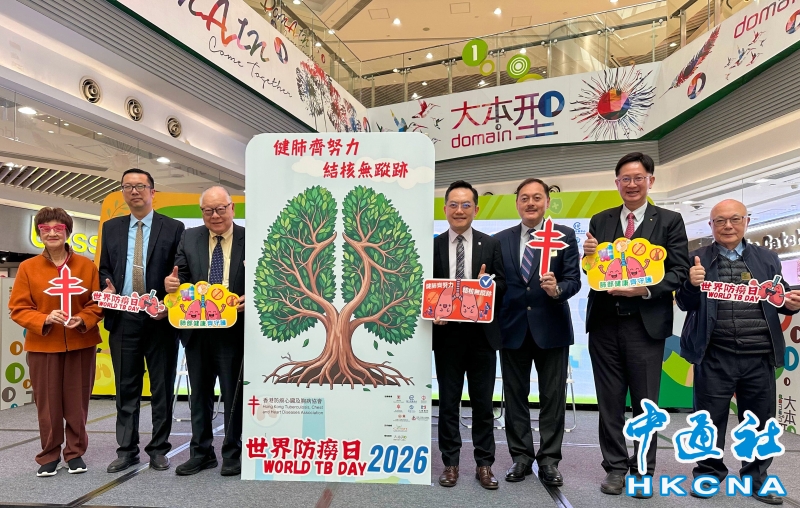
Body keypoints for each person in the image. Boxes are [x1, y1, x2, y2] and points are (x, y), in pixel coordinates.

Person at [676, 199, 800, 506]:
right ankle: (708, 474)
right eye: (720, 221)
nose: (727, 226)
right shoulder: (696, 258)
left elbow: (779, 296)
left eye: (734, 219)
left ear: (747, 221)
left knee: (760, 421)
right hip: (714, 354)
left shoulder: (767, 258)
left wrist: (791, 303)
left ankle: (756, 478)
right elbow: (684, 303)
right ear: (711, 226)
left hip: (759, 355)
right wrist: (691, 284)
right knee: (708, 420)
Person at [582, 152, 689, 497]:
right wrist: (588, 256)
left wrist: (645, 289)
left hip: (646, 326)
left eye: (638, 178)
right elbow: (593, 270)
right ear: (617, 183)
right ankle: (615, 468)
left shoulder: (669, 221)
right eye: (625, 179)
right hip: (604, 324)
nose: (631, 184)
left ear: (650, 181)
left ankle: (643, 470)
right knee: (609, 402)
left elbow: (679, 271)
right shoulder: (600, 220)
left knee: (646, 405)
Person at [494, 178, 581, 486]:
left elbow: (574, 280)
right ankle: (520, 457)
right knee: (515, 397)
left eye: (536, 197)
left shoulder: (564, 235)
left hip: (551, 327)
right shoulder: (500, 240)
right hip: (512, 329)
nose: (530, 203)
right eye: (524, 198)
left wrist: (558, 290)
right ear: (517, 203)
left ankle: (549, 460)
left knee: (552, 398)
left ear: (547, 202)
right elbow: (498, 284)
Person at [99, 168, 185, 473]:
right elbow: (105, 268)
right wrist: (106, 286)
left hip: (159, 318)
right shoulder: (111, 228)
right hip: (123, 317)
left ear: (152, 191)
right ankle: (127, 450)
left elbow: (181, 272)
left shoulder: (173, 228)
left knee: (161, 386)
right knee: (126, 387)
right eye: (127, 186)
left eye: (140, 186)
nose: (134, 191)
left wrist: (170, 302)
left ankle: (159, 449)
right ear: (123, 192)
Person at [9, 207, 104, 477]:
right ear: (39, 233)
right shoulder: (28, 268)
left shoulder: (86, 266)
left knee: (77, 402)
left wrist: (83, 318)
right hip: (43, 345)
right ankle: (49, 454)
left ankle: (75, 453)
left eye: (58, 228)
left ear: (67, 232)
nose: (52, 233)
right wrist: (45, 318)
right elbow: (18, 308)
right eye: (45, 229)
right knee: (47, 404)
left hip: (80, 343)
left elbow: (96, 303)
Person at [165, 186, 246, 477]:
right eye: (208, 210)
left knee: (233, 394)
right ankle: (201, 452)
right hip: (197, 329)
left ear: (232, 208)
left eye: (220, 209)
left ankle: (232, 452)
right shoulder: (190, 237)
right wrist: (172, 284)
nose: (215, 215)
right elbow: (182, 277)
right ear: (202, 212)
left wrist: (251, 297)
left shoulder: (249, 238)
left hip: (234, 329)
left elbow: (264, 278)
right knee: (199, 395)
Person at [433, 180, 506, 490]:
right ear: (445, 209)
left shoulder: (491, 244)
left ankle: (484, 464)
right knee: (448, 403)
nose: (459, 210)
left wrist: (488, 286)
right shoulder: (434, 245)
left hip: (481, 337)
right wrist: (432, 312)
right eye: (453, 204)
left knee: (482, 404)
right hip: (446, 337)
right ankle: (450, 463)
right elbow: (426, 289)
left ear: (476, 209)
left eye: (465, 205)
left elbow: (504, 284)